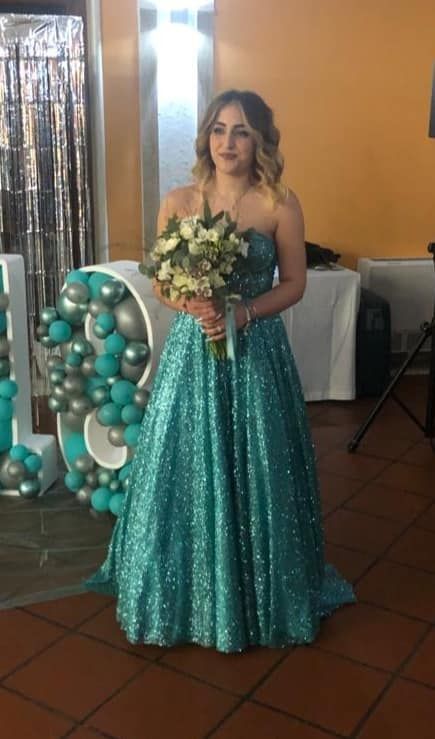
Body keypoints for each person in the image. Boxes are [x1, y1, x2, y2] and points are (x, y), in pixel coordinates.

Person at [85, 89, 355, 652]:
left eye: (241, 132)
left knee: (261, 464)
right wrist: (191, 303)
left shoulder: (279, 203)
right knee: (186, 464)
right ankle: (189, 591)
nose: (227, 142)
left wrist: (242, 312)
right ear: (206, 137)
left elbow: (295, 284)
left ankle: (261, 591)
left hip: (257, 353)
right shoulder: (179, 201)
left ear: (260, 142)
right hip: (194, 350)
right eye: (218, 130)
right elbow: (162, 280)